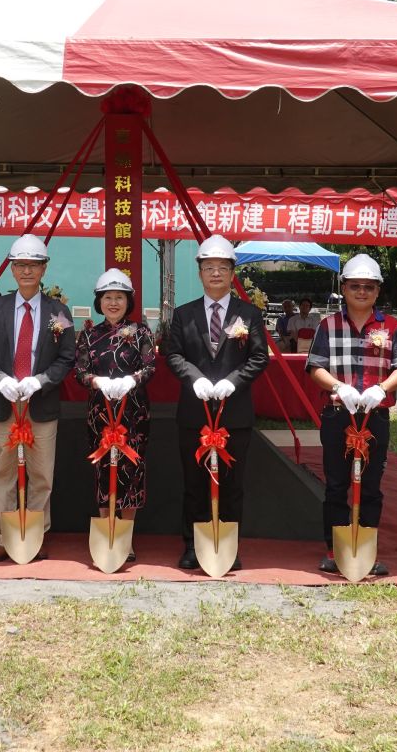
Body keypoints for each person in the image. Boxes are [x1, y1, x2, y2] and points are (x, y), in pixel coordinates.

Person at [306, 253, 397, 575]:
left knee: (370, 485)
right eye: (355, 286)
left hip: (374, 415)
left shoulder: (391, 326)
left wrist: (382, 388)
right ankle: (334, 549)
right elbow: (315, 367)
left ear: (378, 290)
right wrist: (339, 386)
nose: (362, 292)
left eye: (369, 287)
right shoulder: (328, 325)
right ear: (344, 288)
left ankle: (367, 550)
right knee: (337, 484)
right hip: (338, 413)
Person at [166, 234, 269, 570]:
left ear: (231, 272)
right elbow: (173, 354)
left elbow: (258, 357)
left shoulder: (249, 314)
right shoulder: (183, 314)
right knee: (194, 483)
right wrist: (195, 378)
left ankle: (227, 545)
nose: (214, 273)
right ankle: (193, 546)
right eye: (208, 267)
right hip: (194, 413)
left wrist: (231, 382)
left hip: (234, 413)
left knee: (232, 484)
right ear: (199, 273)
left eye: (221, 268)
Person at [0, 235, 76, 563]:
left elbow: (67, 356)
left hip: (41, 403)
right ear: (12, 269)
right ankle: (3, 535)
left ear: (44, 269)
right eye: (20, 265)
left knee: (41, 472)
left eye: (33, 264)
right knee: (3, 472)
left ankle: (36, 533)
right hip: (5, 402)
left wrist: (41, 381)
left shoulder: (58, 312)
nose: (27, 270)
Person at [75, 268, 156, 553]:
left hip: (134, 413)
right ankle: (105, 529)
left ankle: (126, 538)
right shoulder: (88, 334)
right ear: (99, 301)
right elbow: (80, 371)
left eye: (119, 297)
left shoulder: (141, 332)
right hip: (100, 412)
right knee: (103, 468)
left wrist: (131, 380)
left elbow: (150, 367)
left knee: (132, 469)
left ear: (128, 301)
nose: (113, 303)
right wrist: (96, 381)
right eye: (107, 297)